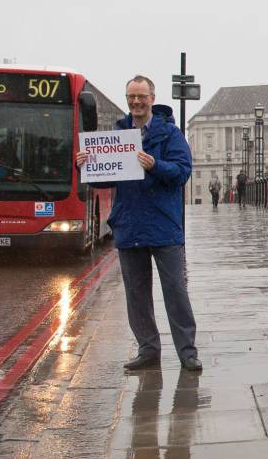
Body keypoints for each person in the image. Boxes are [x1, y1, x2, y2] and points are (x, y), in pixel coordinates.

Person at [75, 75, 201, 371]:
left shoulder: (170, 134)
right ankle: (148, 350)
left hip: (163, 225)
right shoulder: (118, 134)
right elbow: (104, 179)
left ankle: (187, 352)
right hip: (129, 224)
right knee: (136, 294)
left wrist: (155, 165)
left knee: (175, 291)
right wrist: (84, 165)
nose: (136, 102)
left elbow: (182, 172)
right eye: (131, 97)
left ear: (152, 99)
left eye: (141, 96)